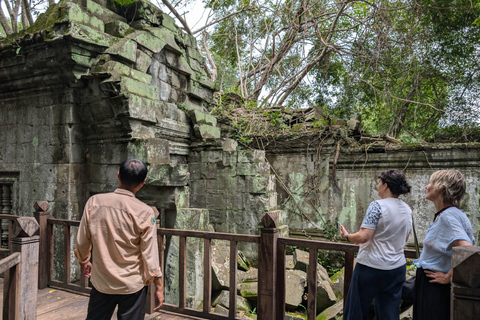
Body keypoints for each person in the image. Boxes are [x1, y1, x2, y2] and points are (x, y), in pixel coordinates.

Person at [74, 159, 164, 320]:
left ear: (118, 176)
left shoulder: (94, 202)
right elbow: (150, 254)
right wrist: (159, 286)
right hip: (132, 284)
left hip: (102, 280)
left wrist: (84, 260)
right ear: (142, 183)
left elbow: (82, 241)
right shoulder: (144, 212)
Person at [340, 169, 413, 320]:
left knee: (356, 309)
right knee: (389, 313)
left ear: (385, 186)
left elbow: (363, 237)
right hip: (396, 269)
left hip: (371, 268)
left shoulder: (377, 206)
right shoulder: (407, 209)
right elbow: (405, 239)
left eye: (379, 183)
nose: (378, 186)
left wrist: (347, 236)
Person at [413, 170, 474, 320]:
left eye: (431, 183)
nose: (427, 186)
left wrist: (448, 276)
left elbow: (468, 248)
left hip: (435, 287)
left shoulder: (448, 215)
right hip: (433, 284)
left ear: (441, 188)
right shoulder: (453, 213)